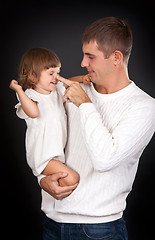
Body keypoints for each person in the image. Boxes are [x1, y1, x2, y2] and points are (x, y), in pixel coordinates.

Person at [39, 17, 155, 240]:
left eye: (90, 56)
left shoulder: (145, 107)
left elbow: (104, 159)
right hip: (52, 225)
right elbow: (41, 138)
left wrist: (85, 104)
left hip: (99, 231)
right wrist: (42, 179)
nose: (83, 63)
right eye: (84, 55)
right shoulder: (73, 89)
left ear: (116, 58)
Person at [9, 47, 90, 188]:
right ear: (32, 76)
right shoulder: (29, 95)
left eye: (58, 72)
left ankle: (52, 191)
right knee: (72, 179)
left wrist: (82, 79)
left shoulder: (56, 90)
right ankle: (49, 186)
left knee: (71, 178)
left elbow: (69, 82)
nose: (56, 77)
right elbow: (34, 112)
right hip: (42, 157)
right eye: (51, 73)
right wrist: (19, 90)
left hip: (57, 154)